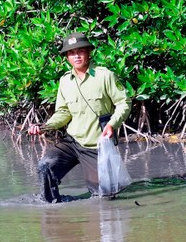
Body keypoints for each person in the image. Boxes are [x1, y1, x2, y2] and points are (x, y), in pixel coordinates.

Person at [28, 32, 131, 202]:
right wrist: (44, 127)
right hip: (72, 142)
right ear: (67, 57)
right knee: (45, 167)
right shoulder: (65, 81)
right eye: (71, 53)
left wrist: (112, 124)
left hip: (96, 146)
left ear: (89, 52)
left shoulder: (105, 76)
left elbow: (124, 103)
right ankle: (51, 209)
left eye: (80, 51)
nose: (76, 56)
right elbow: (63, 112)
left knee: (104, 197)